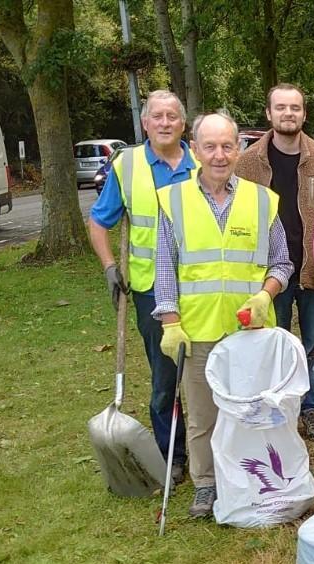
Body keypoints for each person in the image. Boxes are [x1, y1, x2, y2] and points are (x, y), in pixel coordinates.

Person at [152, 112, 293, 518]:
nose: (219, 155)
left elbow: (282, 263)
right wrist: (170, 322)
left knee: (253, 410)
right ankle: (206, 483)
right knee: (202, 415)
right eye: (209, 146)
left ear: (239, 148)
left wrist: (267, 296)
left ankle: (253, 476)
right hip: (195, 330)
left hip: (249, 331)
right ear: (194, 149)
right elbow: (165, 269)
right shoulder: (172, 201)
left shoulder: (262, 199)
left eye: (227, 146)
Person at [87, 90, 196, 485]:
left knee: (202, 372)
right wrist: (110, 268)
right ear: (145, 123)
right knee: (166, 378)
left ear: (182, 124)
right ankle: (173, 454)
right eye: (157, 116)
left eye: (172, 116)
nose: (165, 123)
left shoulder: (202, 161)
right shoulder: (127, 165)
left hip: (201, 286)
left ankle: (210, 449)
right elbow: (100, 222)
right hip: (152, 290)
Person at [237, 83, 314, 441]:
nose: (288, 113)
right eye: (281, 107)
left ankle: (312, 408)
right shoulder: (247, 163)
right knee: (275, 345)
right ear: (268, 113)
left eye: (295, 107)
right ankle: (281, 407)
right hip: (270, 275)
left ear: (304, 114)